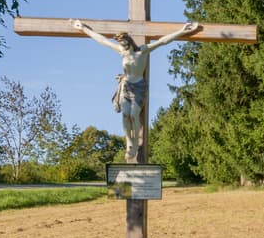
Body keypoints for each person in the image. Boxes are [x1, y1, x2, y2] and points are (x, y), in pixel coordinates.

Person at [71, 19, 201, 154]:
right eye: (120, 44)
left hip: (139, 86)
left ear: (129, 41)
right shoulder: (122, 52)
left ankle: (135, 141)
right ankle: (129, 141)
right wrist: (84, 29)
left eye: (123, 43)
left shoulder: (143, 51)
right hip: (126, 85)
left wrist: (182, 31)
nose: (122, 46)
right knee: (125, 115)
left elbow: (163, 41)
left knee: (134, 115)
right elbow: (103, 41)